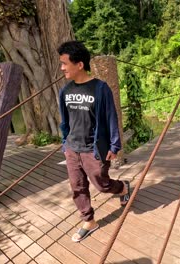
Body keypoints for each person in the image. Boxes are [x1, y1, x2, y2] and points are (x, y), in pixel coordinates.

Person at [57, 41, 131, 242]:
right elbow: (65, 121)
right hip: (73, 149)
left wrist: (114, 146)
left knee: (102, 185)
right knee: (77, 187)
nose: (62, 68)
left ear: (79, 64)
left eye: (65, 63)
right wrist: (65, 144)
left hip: (94, 149)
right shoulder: (65, 92)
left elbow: (111, 117)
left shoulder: (100, 88)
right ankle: (88, 220)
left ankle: (123, 187)